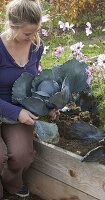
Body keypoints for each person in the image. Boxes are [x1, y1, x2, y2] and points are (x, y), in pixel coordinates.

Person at [0, 0, 60, 199]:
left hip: (20, 110)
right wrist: (16, 112)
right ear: (11, 26)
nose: (33, 37)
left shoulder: (36, 46)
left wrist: (49, 104)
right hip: (12, 110)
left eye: (35, 32)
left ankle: (11, 182)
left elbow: (35, 79)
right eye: (27, 33)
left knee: (22, 157)